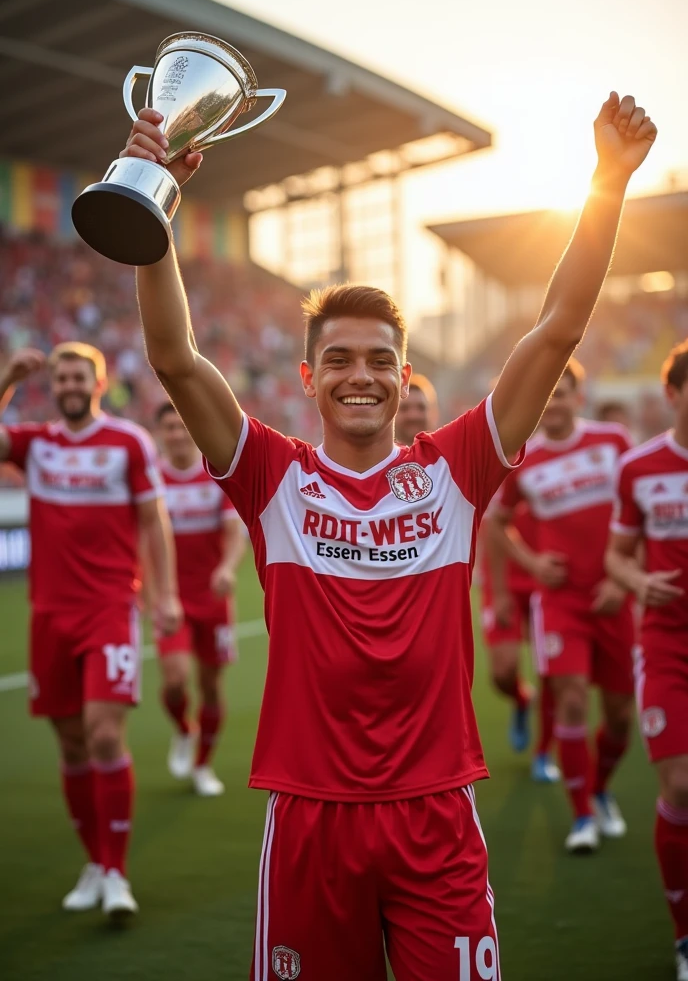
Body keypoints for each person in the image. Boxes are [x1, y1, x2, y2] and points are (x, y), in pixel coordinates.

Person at [121, 92, 655, 978]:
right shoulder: (272, 476)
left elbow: (557, 326)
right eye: (338, 358)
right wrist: (156, 200)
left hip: (435, 814)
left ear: (404, 376)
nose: (359, 376)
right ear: (308, 376)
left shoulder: (456, 468)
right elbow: (176, 356)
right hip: (310, 818)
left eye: (378, 360)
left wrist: (605, 185)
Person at [0, 343, 181, 916]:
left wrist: (165, 594)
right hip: (49, 614)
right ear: (52, 386)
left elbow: (154, 521)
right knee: (71, 742)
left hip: (108, 609)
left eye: (80, 375)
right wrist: (7, 378)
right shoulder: (37, 444)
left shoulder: (129, 441)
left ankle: (118, 875)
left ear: (98, 383)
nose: (70, 383)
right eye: (61, 376)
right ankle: (96, 862)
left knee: (104, 734)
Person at [489, 360, 635, 853]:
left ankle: (599, 790)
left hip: (614, 598)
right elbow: (497, 522)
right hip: (561, 603)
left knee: (618, 717)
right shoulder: (522, 458)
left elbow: (641, 515)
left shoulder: (613, 442)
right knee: (571, 696)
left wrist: (624, 578)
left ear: (579, 396)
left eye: (561, 393)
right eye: (545, 395)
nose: (552, 404)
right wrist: (531, 564)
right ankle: (581, 819)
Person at [606, 340, 688, 981]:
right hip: (665, 643)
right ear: (673, 394)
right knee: (682, 787)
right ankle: (685, 936)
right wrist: (638, 584)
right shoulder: (640, 467)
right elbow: (618, 555)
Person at [154, 401, 245, 796]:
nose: (176, 433)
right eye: (168, 428)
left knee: (210, 685)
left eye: (181, 425)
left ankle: (203, 765)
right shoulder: (152, 478)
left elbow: (233, 533)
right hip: (171, 597)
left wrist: (226, 567)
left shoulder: (214, 474)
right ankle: (184, 729)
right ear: (161, 434)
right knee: (174, 681)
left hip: (212, 597)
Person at [480, 500, 559, 781]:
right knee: (503, 672)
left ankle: (542, 753)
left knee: (553, 672)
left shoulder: (550, 461)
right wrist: (500, 591)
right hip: (503, 582)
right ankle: (522, 699)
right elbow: (492, 527)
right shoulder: (500, 462)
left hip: (547, 577)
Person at [394, 374, 439, 445]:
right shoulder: (377, 455)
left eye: (421, 407)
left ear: (434, 413)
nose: (413, 416)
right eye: (404, 408)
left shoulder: (450, 454)